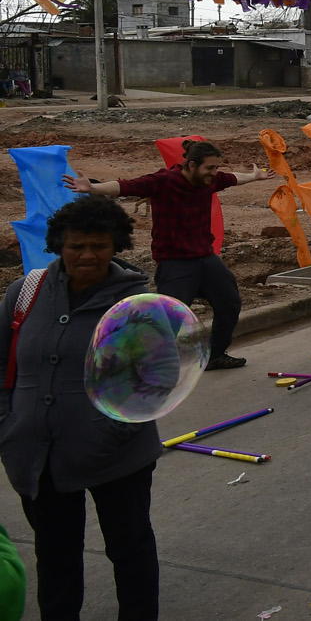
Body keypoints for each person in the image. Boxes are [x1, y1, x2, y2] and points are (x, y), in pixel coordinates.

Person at [0, 195, 161, 621]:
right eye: (76, 245)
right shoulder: (25, 294)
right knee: (55, 559)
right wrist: (7, 424)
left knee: (130, 552)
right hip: (38, 458)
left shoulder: (135, 305)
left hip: (117, 458)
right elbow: (2, 365)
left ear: (116, 247)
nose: (86, 255)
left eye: (99, 245)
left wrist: (108, 433)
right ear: (58, 244)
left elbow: (154, 380)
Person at [64, 138, 275, 369]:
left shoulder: (210, 180)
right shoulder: (163, 181)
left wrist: (255, 176)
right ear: (192, 165)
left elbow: (233, 178)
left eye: (216, 168)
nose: (214, 173)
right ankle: (146, 367)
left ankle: (214, 354)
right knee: (167, 320)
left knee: (230, 304)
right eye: (210, 168)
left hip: (206, 258)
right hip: (175, 263)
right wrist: (93, 188)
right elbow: (126, 186)